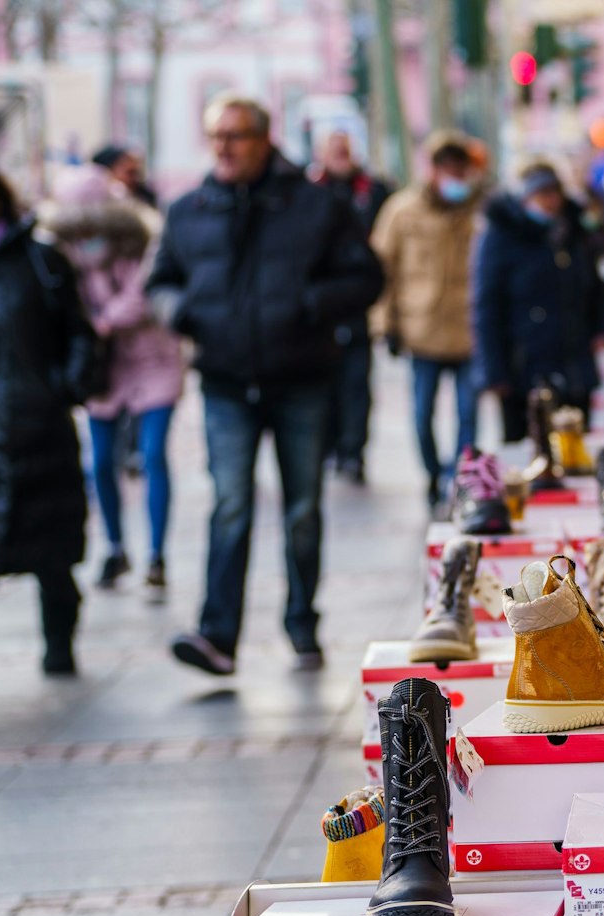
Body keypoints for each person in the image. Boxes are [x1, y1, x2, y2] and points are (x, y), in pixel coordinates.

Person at [147, 93, 384, 675]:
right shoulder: (188, 210)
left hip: (301, 378)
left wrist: (311, 303)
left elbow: (366, 276)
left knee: (301, 508)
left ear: (264, 138)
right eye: (216, 136)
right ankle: (217, 636)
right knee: (230, 505)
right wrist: (181, 312)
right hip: (226, 381)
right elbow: (161, 281)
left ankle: (303, 624)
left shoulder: (315, 205)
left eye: (236, 136)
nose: (224, 148)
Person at [40, 163, 184, 598]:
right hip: (103, 369)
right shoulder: (61, 255)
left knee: (153, 453)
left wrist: (101, 323)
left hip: (153, 361)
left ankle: (156, 553)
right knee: (101, 461)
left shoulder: (139, 240)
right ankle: (115, 546)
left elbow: (144, 293)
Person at [0, 169, 106, 675]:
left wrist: (65, 385)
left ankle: (59, 644)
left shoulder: (40, 260)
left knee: (51, 551)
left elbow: (79, 332)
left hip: (37, 425)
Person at [371, 132, 485, 511]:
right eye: (447, 167)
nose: (454, 176)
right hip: (422, 331)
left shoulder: (479, 212)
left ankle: (461, 480)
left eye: (460, 168)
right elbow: (381, 269)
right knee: (422, 415)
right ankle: (434, 474)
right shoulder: (402, 211)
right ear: (433, 169)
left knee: (469, 415)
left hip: (469, 331)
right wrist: (383, 322)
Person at [473, 162, 604, 445]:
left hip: (573, 357)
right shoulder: (501, 237)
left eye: (554, 193)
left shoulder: (573, 231)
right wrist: (493, 371)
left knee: (576, 443)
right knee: (531, 444)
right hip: (523, 362)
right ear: (526, 197)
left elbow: (594, 286)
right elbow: (486, 306)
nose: (551, 202)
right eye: (542, 194)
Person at [309, 130, 394, 483]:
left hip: (357, 307)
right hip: (321, 313)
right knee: (324, 386)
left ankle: (352, 450)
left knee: (357, 385)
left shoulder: (373, 191)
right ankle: (330, 446)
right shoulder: (310, 194)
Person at [91, 144, 158, 208]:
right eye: (130, 172)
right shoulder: (100, 200)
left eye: (138, 172)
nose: (136, 178)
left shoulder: (145, 196)